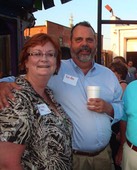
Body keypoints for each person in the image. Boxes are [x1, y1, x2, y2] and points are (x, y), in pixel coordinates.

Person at [0, 21, 124, 170]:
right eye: (79, 39)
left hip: (103, 156)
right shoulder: (55, 68)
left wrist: (110, 108)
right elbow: (23, 79)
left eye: (89, 40)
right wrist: (2, 85)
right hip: (72, 158)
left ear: (95, 44)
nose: (84, 44)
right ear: (71, 43)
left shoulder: (108, 75)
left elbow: (120, 106)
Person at [0, 33, 73, 169]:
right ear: (26, 61)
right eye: (37, 54)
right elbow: (6, 164)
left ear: (56, 63)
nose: (44, 59)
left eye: (50, 54)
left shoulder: (49, 94)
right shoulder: (16, 99)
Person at [108, 61, 128, 170]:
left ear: (119, 73)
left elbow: (122, 110)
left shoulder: (122, 86)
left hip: (118, 126)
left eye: (112, 72)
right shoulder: (119, 85)